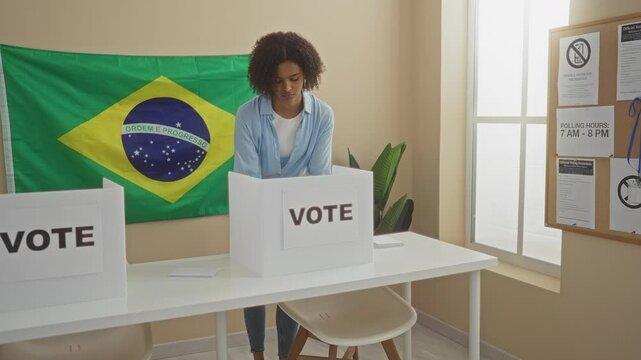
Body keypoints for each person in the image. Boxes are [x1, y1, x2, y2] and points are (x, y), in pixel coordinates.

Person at [233, 32, 334, 360]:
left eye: (294, 79)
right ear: (265, 80)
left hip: (296, 214)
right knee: (254, 288)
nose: (287, 88)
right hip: (254, 211)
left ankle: (285, 357)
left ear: (307, 74)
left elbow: (320, 175)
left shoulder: (322, 116)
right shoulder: (247, 116)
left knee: (287, 290)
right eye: (277, 81)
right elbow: (248, 176)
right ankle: (257, 354)